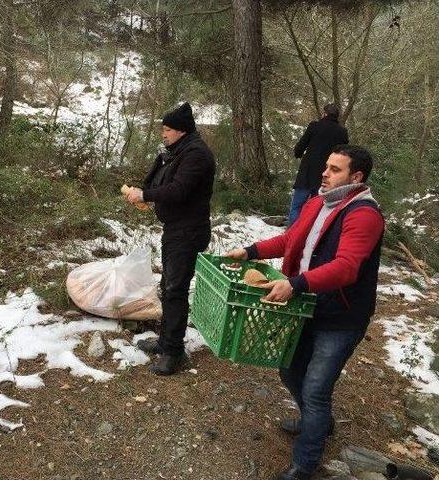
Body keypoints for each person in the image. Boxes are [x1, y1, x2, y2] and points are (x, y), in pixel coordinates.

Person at [226, 145, 384, 480]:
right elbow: (290, 241)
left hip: (341, 316)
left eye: (335, 169)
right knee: (289, 371)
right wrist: (251, 251)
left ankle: (305, 463)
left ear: (356, 177)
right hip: (306, 306)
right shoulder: (319, 202)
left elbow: (346, 268)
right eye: (326, 166)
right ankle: (318, 421)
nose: (324, 173)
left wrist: (296, 284)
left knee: (315, 388)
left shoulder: (363, 214)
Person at [123, 102, 215, 376]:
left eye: (167, 129)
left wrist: (146, 196)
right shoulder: (177, 151)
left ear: (182, 131)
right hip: (176, 229)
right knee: (169, 285)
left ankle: (173, 352)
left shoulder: (196, 155)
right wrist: (147, 184)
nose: (163, 134)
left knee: (175, 289)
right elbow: (160, 181)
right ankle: (166, 341)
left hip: (188, 231)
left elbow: (179, 190)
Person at [289, 104, 348, 226]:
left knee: (297, 206)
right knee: (316, 209)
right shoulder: (342, 132)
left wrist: (298, 154)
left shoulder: (314, 126)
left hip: (307, 172)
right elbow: (344, 155)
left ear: (325, 113)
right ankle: (306, 236)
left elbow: (300, 147)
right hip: (327, 174)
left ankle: (291, 234)